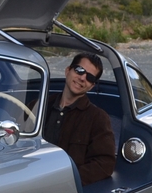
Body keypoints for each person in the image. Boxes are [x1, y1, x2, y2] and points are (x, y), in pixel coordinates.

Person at [43, 53, 116, 185]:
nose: (82, 78)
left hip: (66, 190)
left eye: (90, 77)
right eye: (79, 70)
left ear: (92, 86)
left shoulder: (98, 118)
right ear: (67, 70)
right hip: (31, 180)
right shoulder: (40, 105)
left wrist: (68, 179)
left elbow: (105, 164)